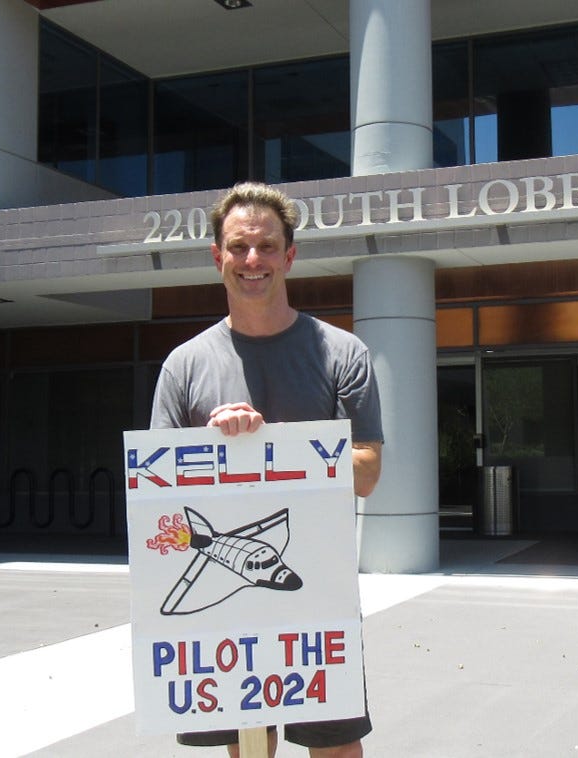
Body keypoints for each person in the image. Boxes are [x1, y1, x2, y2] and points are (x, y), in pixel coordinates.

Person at [150, 181, 384, 758]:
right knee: (249, 748)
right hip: (230, 611)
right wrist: (209, 450)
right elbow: (155, 497)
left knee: (336, 745)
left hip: (321, 595)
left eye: (266, 247)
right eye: (238, 247)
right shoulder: (184, 366)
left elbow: (368, 470)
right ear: (217, 256)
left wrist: (268, 446)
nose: (252, 261)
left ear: (289, 255)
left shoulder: (342, 352)